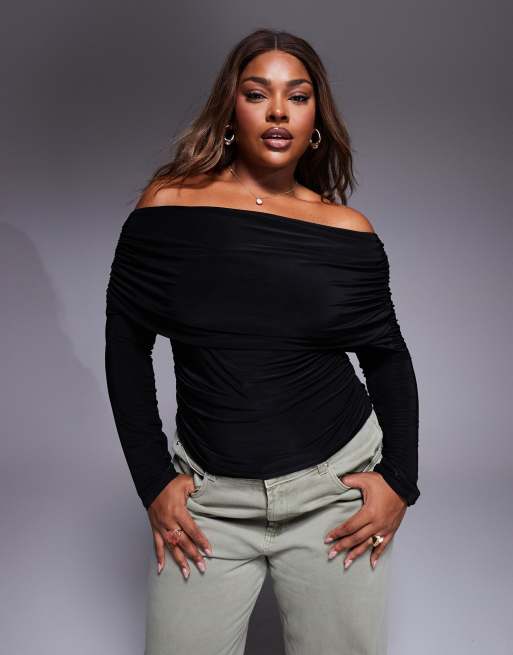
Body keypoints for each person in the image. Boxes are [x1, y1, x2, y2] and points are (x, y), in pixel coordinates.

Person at [105, 28, 420, 655]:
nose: (278, 112)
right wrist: (152, 480)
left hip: (333, 493)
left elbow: (387, 357)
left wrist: (399, 482)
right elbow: (126, 345)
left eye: (297, 97)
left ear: (315, 120)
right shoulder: (168, 208)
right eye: (257, 94)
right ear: (231, 110)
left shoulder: (347, 231)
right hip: (209, 502)